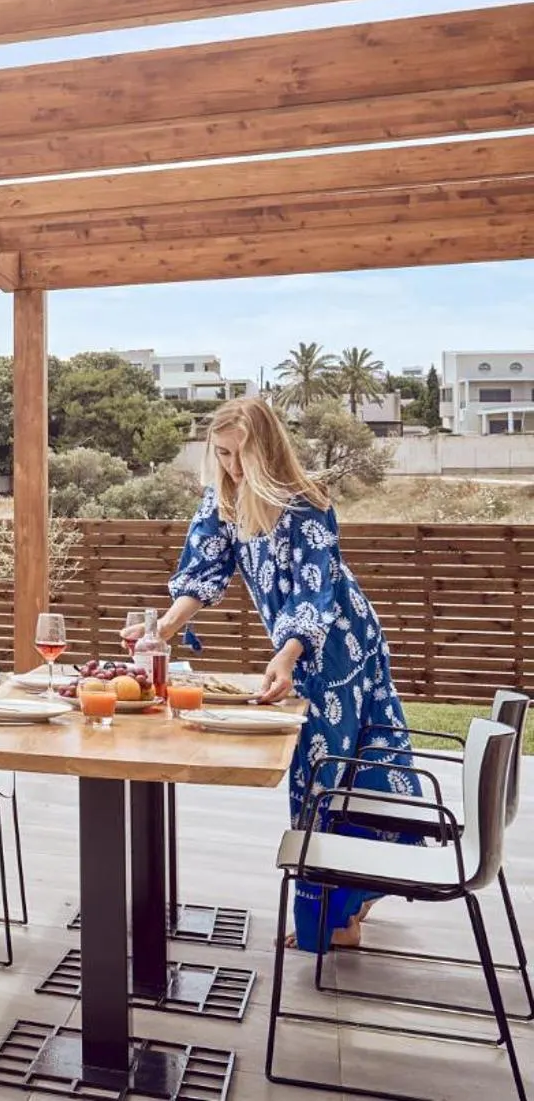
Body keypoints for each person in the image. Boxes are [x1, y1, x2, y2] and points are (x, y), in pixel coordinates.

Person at [126, 395, 416, 951]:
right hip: (294, 646)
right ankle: (347, 903)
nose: (233, 467)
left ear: (266, 450)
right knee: (332, 772)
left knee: (334, 773)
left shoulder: (306, 504)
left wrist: (285, 656)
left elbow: (315, 593)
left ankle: (338, 916)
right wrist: (160, 629)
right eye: (224, 455)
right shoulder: (222, 500)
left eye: (242, 456)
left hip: (338, 646)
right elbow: (201, 574)